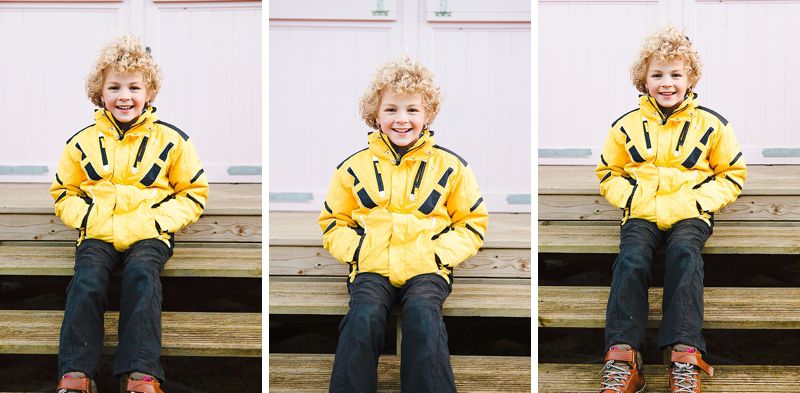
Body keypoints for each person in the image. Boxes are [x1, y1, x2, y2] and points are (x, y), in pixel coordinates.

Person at [318, 56, 489, 392]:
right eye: (392, 110)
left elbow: (471, 221)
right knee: (362, 317)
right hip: (372, 267)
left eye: (412, 110)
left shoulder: (451, 166)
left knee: (423, 317)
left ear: (427, 115)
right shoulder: (352, 168)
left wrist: (437, 255)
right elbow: (333, 221)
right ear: (375, 115)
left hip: (426, 268)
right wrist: (358, 251)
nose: (402, 119)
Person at [50, 35, 208, 393]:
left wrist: (156, 222)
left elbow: (193, 193)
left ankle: (140, 374)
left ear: (149, 92)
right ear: (100, 93)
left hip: (148, 234)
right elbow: (64, 192)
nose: (125, 96)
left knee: (142, 277)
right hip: (99, 233)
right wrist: (89, 220)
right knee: (87, 281)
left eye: (135, 87)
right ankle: (76, 373)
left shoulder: (173, 140)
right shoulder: (80, 142)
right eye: (115, 87)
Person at [595, 26, 746, 393]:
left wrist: (697, 202)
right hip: (642, 212)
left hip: (689, 212)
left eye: (676, 74)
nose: (667, 83)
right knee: (631, 259)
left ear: (690, 77)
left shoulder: (712, 125)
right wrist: (632, 199)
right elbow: (608, 172)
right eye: (657, 75)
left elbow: (732, 174)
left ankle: (684, 356)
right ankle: (623, 358)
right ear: (643, 80)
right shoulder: (625, 126)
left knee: (685, 254)